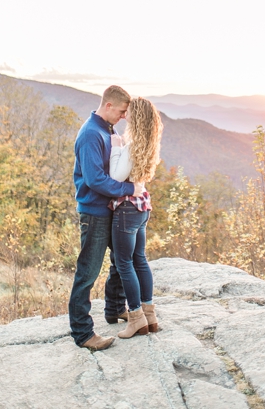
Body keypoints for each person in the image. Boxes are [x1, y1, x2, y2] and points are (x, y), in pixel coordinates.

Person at [68, 85, 140, 351]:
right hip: (95, 212)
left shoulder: (108, 130)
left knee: (121, 260)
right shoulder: (90, 134)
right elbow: (95, 179)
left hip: (111, 210)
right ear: (108, 105)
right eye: (121, 112)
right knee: (87, 272)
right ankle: (83, 333)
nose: (123, 117)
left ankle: (114, 308)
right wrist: (129, 189)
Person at [108, 96, 163, 338]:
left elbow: (117, 177)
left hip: (127, 209)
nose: (124, 113)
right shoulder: (149, 144)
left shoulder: (130, 146)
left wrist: (116, 148)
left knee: (124, 263)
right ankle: (150, 316)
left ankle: (136, 318)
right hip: (142, 208)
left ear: (136, 115)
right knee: (140, 259)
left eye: (128, 111)